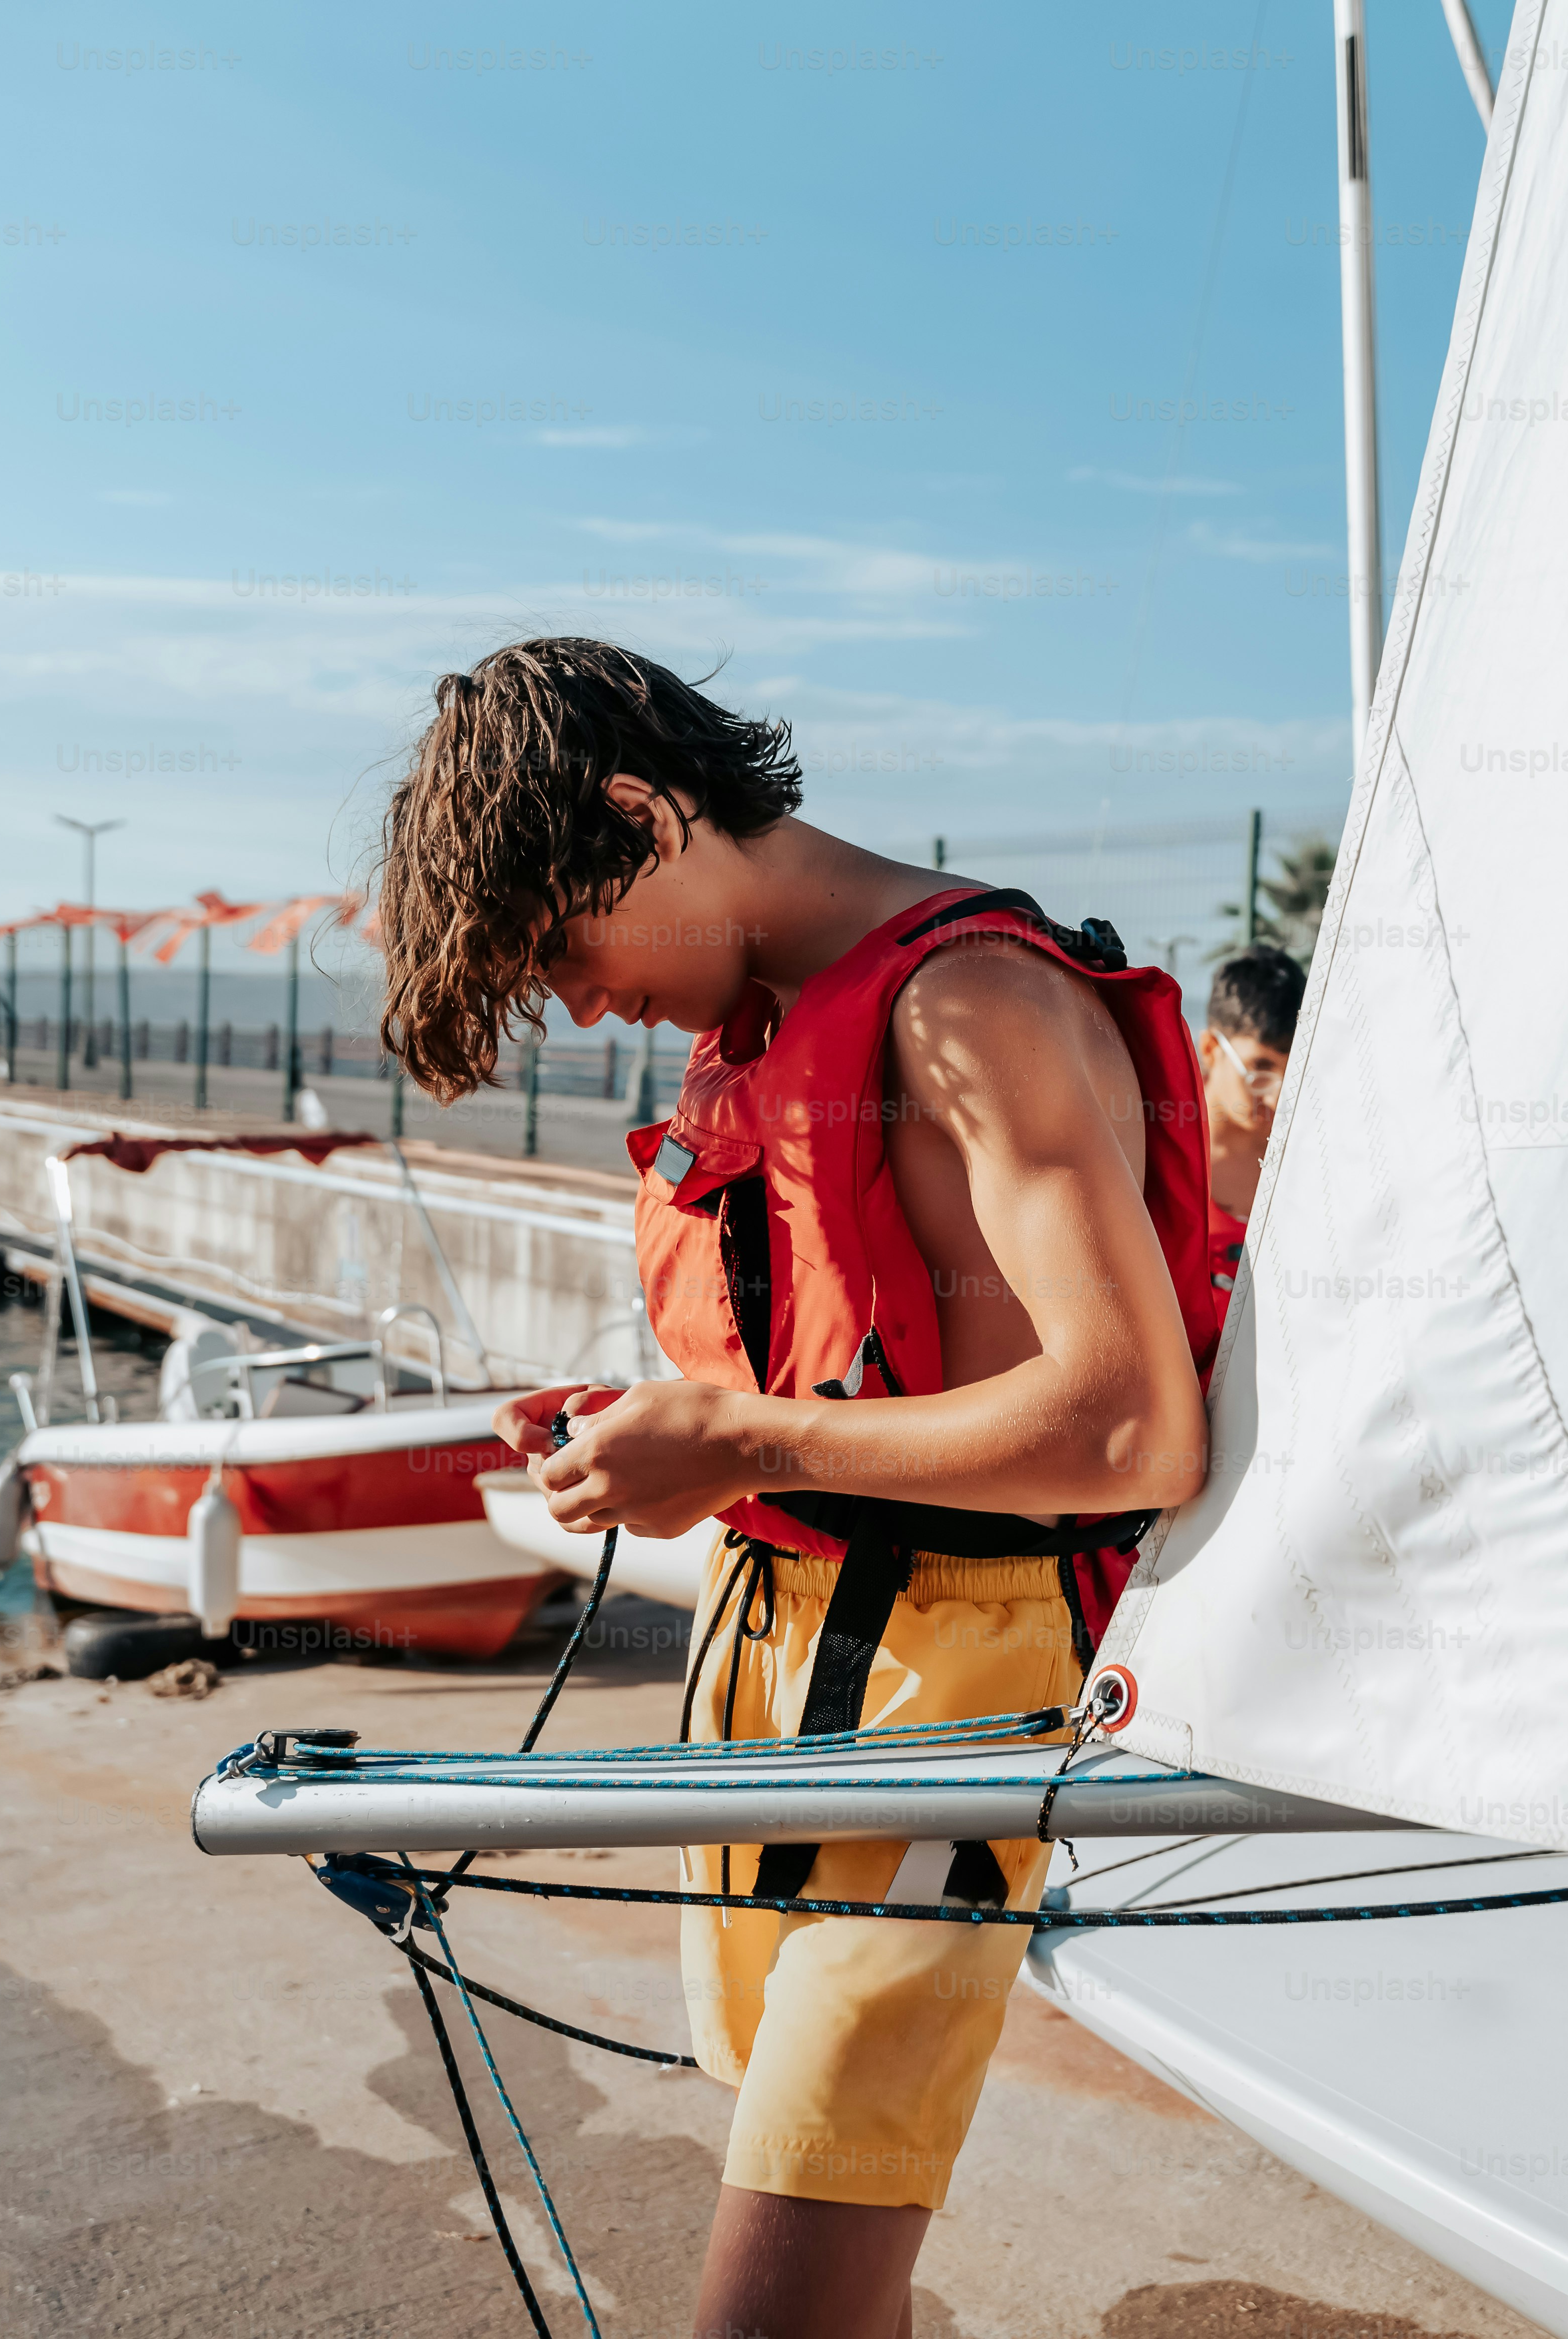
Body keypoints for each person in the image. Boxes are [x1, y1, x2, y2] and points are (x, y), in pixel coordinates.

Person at [367, 638, 1222, 2339]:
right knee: (819, 2243)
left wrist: (736, 1442)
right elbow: (842, 1370)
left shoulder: (970, 1002)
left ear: (638, 815)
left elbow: (1131, 1429)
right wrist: (663, 1430)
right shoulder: (761, 1028)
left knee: (774, 2295)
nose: (585, 1003)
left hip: (953, 1693)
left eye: (566, 952)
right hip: (768, 1674)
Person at [1195, 942, 1301, 1300]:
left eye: (1295, 1073)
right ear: (1211, 1049)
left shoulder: (1307, 1159)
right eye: (1261, 1069)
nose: (1277, 1097)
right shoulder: (1151, 1157)